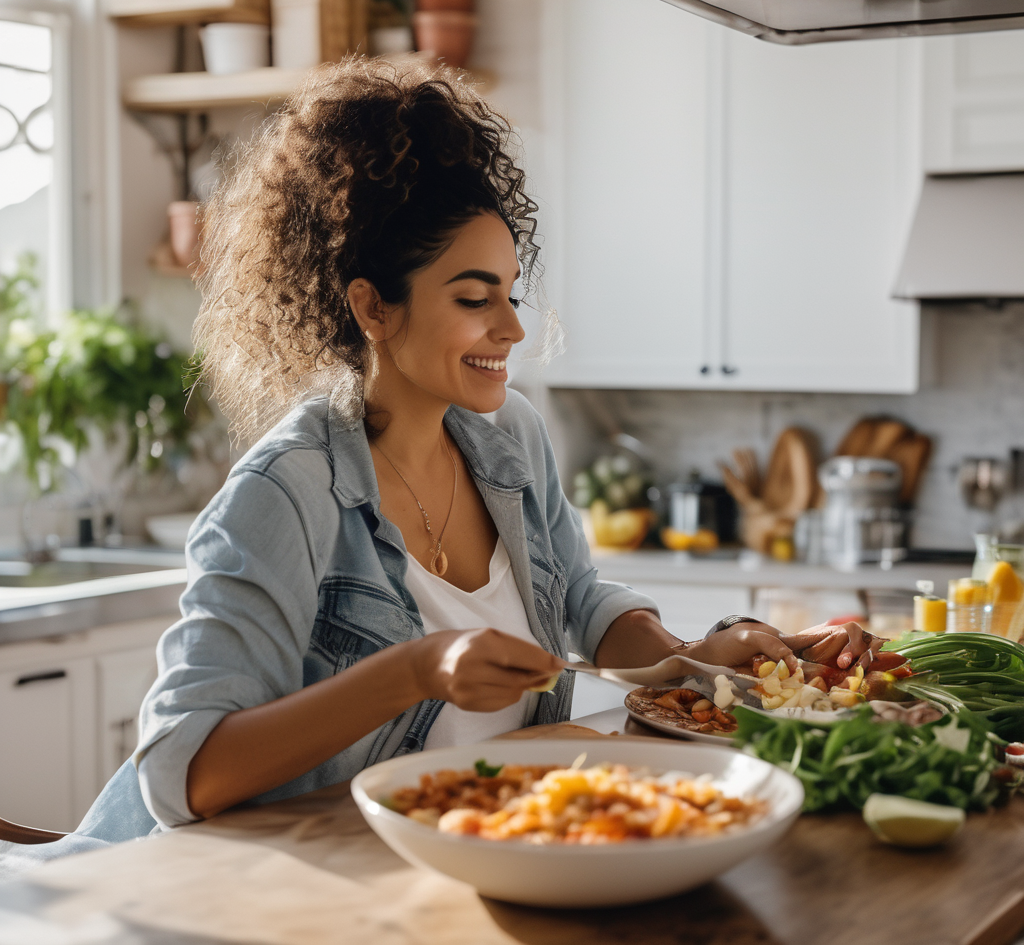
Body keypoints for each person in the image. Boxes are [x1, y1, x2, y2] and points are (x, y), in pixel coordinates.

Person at [0, 58, 883, 874]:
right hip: (275, 900)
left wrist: (701, 661)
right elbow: (181, 777)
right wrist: (414, 670)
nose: (512, 329)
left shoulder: (509, 438)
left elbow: (580, 602)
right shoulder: (287, 491)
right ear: (372, 307)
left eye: (509, 292)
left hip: (457, 875)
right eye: (473, 298)